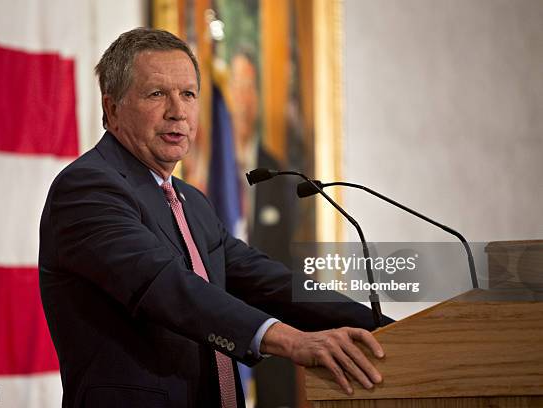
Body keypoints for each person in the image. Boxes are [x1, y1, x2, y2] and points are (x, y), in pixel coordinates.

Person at [39, 28, 390, 408]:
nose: (178, 111)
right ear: (112, 109)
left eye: (188, 94)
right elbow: (165, 286)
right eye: (157, 94)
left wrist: (388, 330)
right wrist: (290, 339)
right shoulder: (87, 189)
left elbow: (266, 282)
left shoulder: (191, 201)